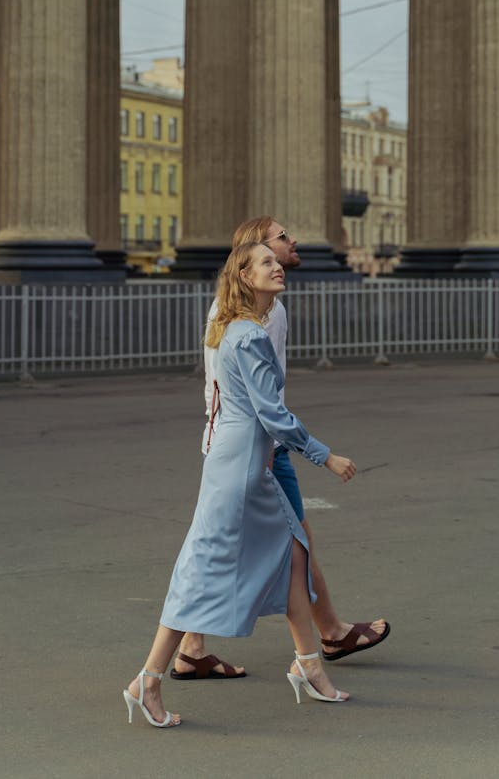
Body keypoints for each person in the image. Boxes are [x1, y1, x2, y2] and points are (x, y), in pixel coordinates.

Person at [123, 242, 357, 728]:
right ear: (245, 277)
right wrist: (325, 456)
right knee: (201, 568)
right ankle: (148, 679)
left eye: (277, 260)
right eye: (266, 263)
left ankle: (310, 665)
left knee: (294, 554)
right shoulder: (249, 335)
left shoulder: (235, 328)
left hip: (241, 459)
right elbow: (272, 413)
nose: (279, 267)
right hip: (243, 468)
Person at [172, 216, 389, 682]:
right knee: (256, 548)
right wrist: (316, 454)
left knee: (258, 547)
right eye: (279, 241)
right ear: (250, 260)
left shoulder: (271, 310)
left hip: (257, 444)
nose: (290, 245)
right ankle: (323, 639)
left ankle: (192, 650)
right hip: (252, 448)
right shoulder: (243, 320)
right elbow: (236, 395)